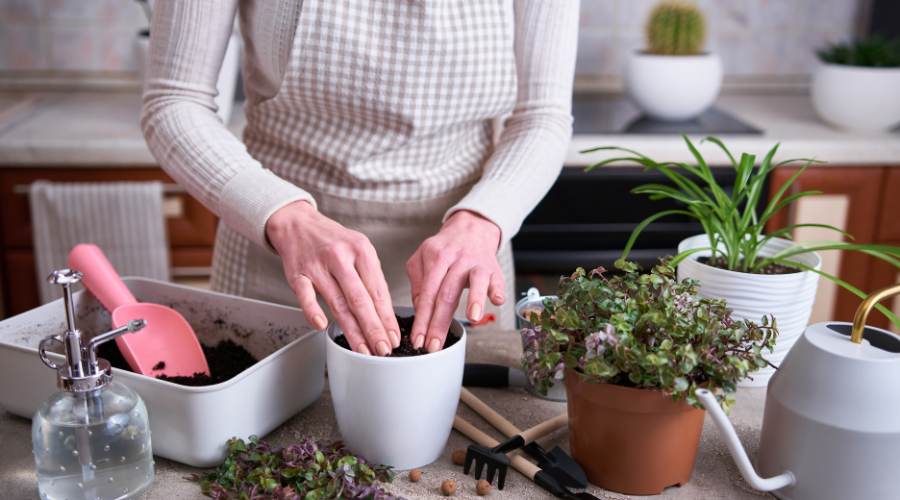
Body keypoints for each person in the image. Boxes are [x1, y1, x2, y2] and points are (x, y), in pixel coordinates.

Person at [141, 0, 578, 356]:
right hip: (280, 258)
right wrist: (285, 217)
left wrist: (483, 219)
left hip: (461, 265)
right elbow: (174, 102)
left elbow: (543, 115)